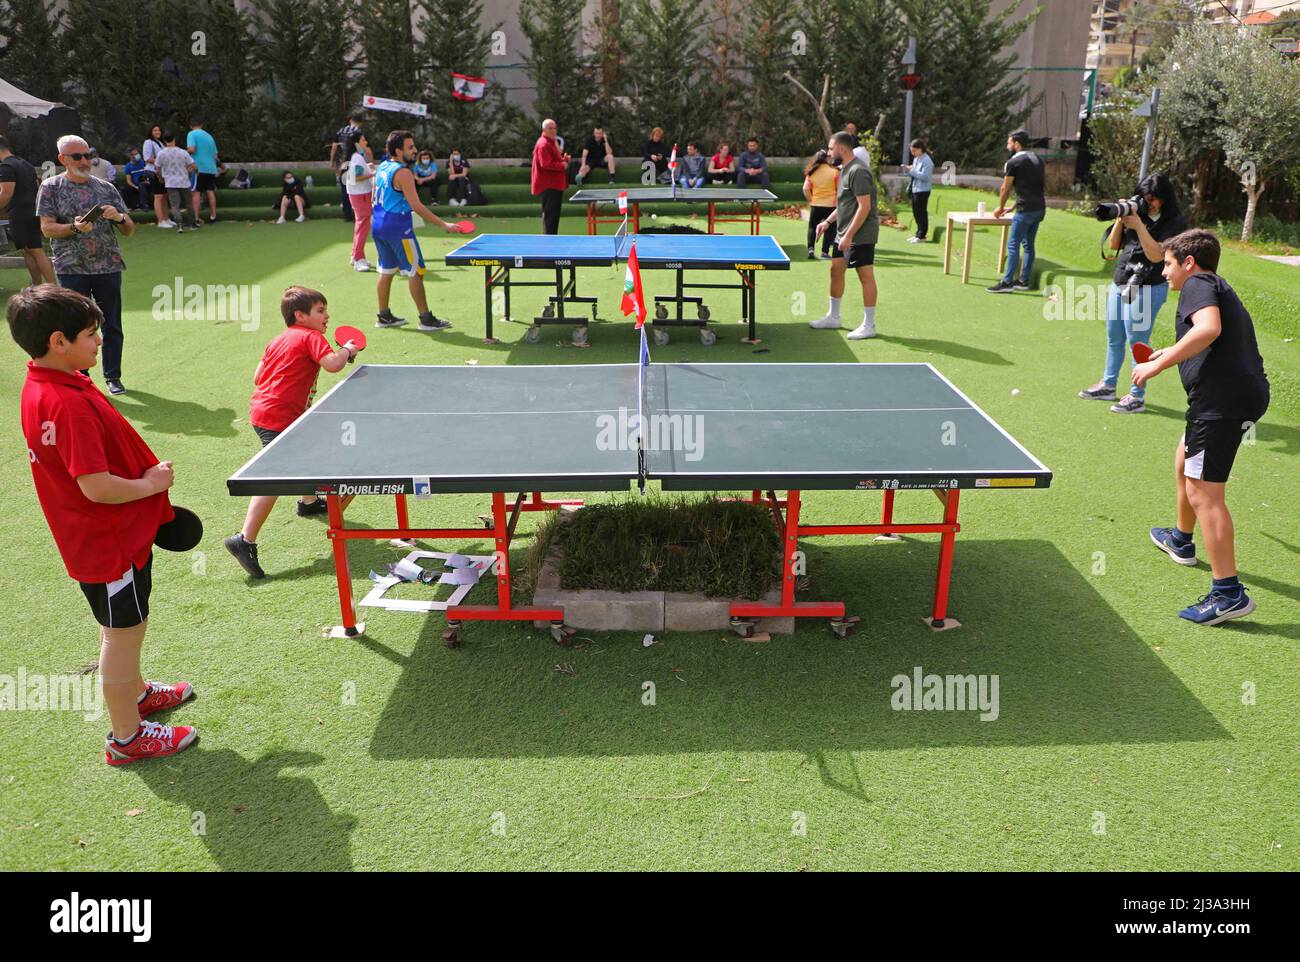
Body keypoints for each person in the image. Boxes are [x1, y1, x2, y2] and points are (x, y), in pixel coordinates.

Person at [9, 286, 197, 764]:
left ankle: (134, 694)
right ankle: (127, 738)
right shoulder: (66, 402)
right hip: (107, 542)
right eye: (92, 335)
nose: (100, 341)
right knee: (123, 631)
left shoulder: (51, 382)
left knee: (126, 624)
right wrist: (152, 485)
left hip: (105, 537)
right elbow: (96, 486)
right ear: (58, 341)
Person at [1135, 229, 1269, 626]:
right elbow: (1210, 340)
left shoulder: (1198, 283)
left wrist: (1155, 366)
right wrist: (1168, 353)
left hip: (1222, 403)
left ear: (1189, 263)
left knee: (1203, 491)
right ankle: (1181, 538)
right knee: (1185, 463)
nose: (1164, 273)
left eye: (1169, 264)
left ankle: (1228, 594)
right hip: (1228, 398)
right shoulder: (1213, 285)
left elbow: (1208, 328)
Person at [225, 287, 362, 579]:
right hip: (279, 417)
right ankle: (244, 540)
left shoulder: (278, 339)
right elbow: (333, 365)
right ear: (300, 315)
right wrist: (348, 349)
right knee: (275, 476)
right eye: (321, 311)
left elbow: (258, 377)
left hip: (264, 412)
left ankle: (308, 502)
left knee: (305, 449)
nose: (327, 316)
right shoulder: (312, 337)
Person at [1078, 173, 1188, 414]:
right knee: (1114, 336)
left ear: (1164, 198)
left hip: (1148, 286)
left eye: (1154, 199)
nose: (1149, 203)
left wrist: (1138, 225)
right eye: (1145, 198)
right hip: (1121, 280)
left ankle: (1136, 396)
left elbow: (1157, 255)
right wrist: (1121, 217)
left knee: (1136, 342)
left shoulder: (1174, 222)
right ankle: (1108, 385)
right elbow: (1114, 246)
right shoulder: (1136, 213)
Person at [36, 135, 136, 394]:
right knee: (75, 326)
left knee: (112, 324)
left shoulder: (106, 188)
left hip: (108, 265)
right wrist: (74, 228)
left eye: (88, 154)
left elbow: (129, 230)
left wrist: (119, 217)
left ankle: (113, 376)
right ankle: (81, 378)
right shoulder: (50, 187)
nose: (85, 161)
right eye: (77, 156)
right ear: (63, 159)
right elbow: (47, 229)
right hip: (71, 267)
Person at [371, 129, 461, 330]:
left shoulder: (383, 167)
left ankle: (383, 316)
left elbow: (375, 197)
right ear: (398, 150)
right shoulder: (403, 172)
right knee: (416, 272)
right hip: (398, 229)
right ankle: (426, 319)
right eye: (410, 147)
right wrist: (443, 224)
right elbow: (417, 205)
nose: (415, 150)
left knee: (386, 271)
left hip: (378, 225)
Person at [809, 130, 879, 340]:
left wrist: (849, 235)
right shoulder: (845, 170)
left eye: (831, 149)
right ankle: (834, 316)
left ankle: (869, 325)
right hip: (844, 233)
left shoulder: (859, 171)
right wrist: (828, 221)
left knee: (865, 276)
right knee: (835, 271)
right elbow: (845, 204)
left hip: (861, 235)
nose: (828, 153)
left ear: (841, 148)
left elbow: (864, 207)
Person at [987, 129, 1046, 293]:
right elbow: (1032, 187)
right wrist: (1012, 207)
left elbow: (1005, 188)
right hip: (1039, 208)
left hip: (1025, 210)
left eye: (1009, 143)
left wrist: (999, 207)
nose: (1007, 146)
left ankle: (1007, 283)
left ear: (1017, 144)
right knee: (1028, 246)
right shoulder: (1038, 159)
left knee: (1013, 245)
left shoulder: (1013, 162)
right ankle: (1023, 281)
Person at [0, 133, 56, 285]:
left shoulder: (6, 166)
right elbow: (37, 187)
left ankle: (53, 287)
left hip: (20, 213)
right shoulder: (25, 164)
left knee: (36, 251)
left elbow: (6, 194)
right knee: (29, 251)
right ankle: (37, 286)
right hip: (33, 210)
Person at [154, 132, 198, 231]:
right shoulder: (183, 152)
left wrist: (160, 178)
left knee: (175, 205)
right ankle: (192, 223)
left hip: (170, 182)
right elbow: (193, 165)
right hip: (184, 181)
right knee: (189, 203)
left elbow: (157, 168)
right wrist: (195, 171)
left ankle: (179, 224)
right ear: (174, 139)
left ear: (164, 141)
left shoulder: (161, 153)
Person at [531, 119, 569, 234]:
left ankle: (551, 239)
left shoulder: (551, 141)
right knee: (550, 217)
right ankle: (550, 243)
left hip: (554, 184)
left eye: (554, 128)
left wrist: (564, 160)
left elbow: (552, 160)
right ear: (544, 130)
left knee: (553, 216)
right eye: (550, 128)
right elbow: (546, 164)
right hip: (549, 185)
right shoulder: (543, 144)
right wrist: (563, 165)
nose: (553, 130)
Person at [330, 109, 367, 223]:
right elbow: (360, 148)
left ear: (350, 119)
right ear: (360, 122)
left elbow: (334, 147)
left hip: (341, 162)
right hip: (353, 161)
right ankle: (358, 213)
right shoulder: (357, 132)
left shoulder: (341, 131)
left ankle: (347, 215)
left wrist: (332, 161)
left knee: (344, 188)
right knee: (356, 186)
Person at [346, 133, 375, 271]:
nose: (366, 141)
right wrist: (372, 173)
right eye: (363, 139)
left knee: (361, 225)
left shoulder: (356, 157)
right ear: (357, 143)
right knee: (362, 226)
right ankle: (358, 258)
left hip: (359, 194)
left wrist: (368, 167)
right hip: (361, 195)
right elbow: (354, 178)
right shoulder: (357, 157)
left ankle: (355, 255)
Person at [802, 148, 837, 260]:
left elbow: (805, 189)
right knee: (830, 228)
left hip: (816, 204)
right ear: (826, 158)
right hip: (831, 205)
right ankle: (825, 252)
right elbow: (840, 188)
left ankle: (811, 249)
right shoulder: (835, 171)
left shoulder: (811, 173)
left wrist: (811, 200)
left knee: (812, 226)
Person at [186, 120, 221, 224]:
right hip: (211, 168)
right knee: (210, 192)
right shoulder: (209, 136)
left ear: (190, 126)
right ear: (201, 125)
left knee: (196, 192)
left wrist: (181, 152)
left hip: (199, 168)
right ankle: (213, 217)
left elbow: (192, 149)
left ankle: (195, 218)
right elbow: (216, 156)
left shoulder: (191, 134)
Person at [900, 138, 934, 243]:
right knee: (916, 212)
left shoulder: (927, 160)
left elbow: (926, 176)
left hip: (923, 190)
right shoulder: (917, 159)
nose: (913, 153)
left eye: (914, 150)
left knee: (921, 212)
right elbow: (915, 170)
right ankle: (918, 234)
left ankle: (922, 235)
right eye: (912, 151)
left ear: (920, 149)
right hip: (915, 189)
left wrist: (912, 170)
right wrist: (909, 168)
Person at [141, 124, 169, 227]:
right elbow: (147, 158)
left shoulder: (161, 143)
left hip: (162, 172)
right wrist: (160, 161)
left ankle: (166, 218)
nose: (158, 132)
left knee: (165, 196)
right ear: (151, 132)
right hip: (152, 171)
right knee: (158, 196)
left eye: (159, 130)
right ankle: (160, 220)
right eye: (155, 130)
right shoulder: (148, 142)